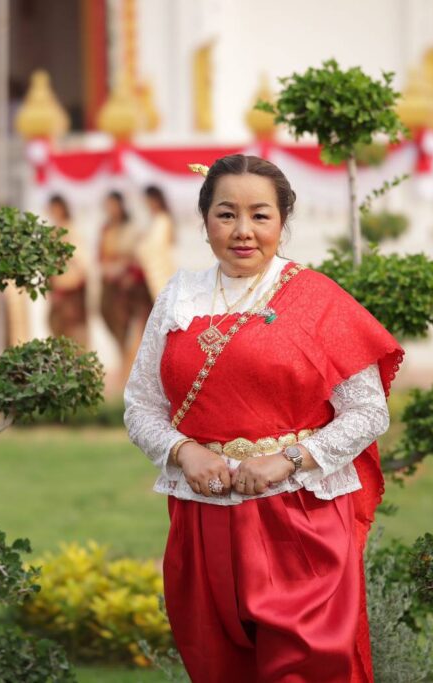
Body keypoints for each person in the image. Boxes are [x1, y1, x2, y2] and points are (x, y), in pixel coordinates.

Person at [123, 154, 404, 682]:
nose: (243, 231)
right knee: (217, 667)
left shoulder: (316, 299)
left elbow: (368, 410)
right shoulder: (178, 297)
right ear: (204, 219)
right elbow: (141, 405)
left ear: (282, 220)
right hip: (202, 513)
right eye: (226, 214)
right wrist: (184, 451)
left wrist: (289, 459)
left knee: (309, 668)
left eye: (260, 215)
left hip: (299, 518)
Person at [98, 190, 151, 387]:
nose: (110, 209)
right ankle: (124, 365)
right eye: (108, 205)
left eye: (113, 205)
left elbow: (136, 257)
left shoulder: (131, 228)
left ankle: (131, 372)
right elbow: (101, 255)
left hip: (127, 289)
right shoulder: (106, 229)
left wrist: (123, 270)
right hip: (110, 286)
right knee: (112, 322)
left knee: (131, 329)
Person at [45, 194, 89, 349]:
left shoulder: (72, 230)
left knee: (75, 333)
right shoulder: (52, 233)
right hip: (57, 291)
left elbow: (81, 261)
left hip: (72, 291)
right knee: (57, 329)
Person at [135, 185, 176, 302]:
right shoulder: (155, 221)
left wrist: (141, 244)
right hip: (152, 275)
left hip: (161, 273)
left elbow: (156, 249)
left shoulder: (163, 220)